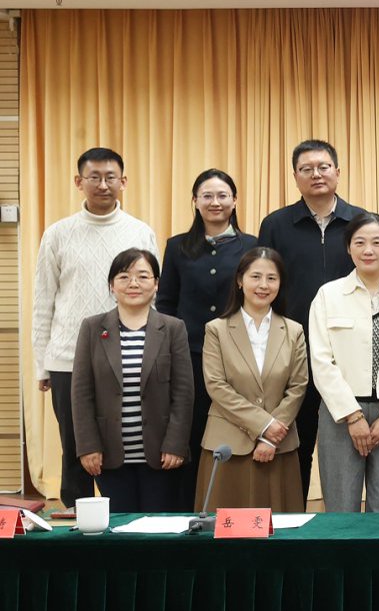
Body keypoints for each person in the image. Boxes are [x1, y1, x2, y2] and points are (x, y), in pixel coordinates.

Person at [33, 147, 158, 510]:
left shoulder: (140, 231)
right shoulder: (57, 234)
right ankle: (77, 519)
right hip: (67, 358)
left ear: (123, 181)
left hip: (128, 357)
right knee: (76, 446)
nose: (103, 185)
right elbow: (43, 301)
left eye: (110, 177)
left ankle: (123, 520)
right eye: (94, 177)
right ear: (79, 182)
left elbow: (152, 295)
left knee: (122, 445)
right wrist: (43, 364)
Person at [257, 139, 369, 501]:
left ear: (338, 171)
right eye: (307, 169)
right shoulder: (276, 225)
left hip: (350, 353)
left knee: (354, 444)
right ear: (295, 176)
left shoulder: (361, 221)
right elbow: (262, 283)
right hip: (292, 351)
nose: (316, 174)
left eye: (323, 167)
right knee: (295, 444)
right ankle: (294, 519)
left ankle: (357, 523)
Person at [306, 213, 379, 513]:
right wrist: (352, 416)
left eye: (377, 242)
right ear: (348, 248)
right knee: (340, 510)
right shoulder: (328, 295)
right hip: (340, 415)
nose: (368, 250)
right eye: (359, 243)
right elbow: (321, 361)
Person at [154, 168, 255, 504]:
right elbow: (166, 303)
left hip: (238, 354)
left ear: (234, 200)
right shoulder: (177, 246)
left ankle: (232, 504)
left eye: (222, 195)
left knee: (236, 428)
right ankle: (188, 507)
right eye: (207, 196)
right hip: (190, 354)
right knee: (192, 430)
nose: (215, 202)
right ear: (195, 201)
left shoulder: (252, 245)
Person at [70, 248, 192, 512]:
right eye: (124, 277)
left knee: (157, 528)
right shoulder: (92, 328)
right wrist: (88, 446)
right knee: (118, 527)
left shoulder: (173, 328)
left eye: (143, 276)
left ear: (156, 284)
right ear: (112, 285)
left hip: (162, 455)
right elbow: (81, 393)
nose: (133, 283)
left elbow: (183, 393)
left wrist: (175, 444)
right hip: (108, 454)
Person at [196, 247, 307, 513]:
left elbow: (298, 386)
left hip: (278, 447)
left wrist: (271, 437)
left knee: (278, 528)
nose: (263, 285)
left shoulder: (293, 331)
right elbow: (216, 386)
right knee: (226, 527)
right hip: (228, 447)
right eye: (255, 276)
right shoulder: (216, 329)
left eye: (271, 278)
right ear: (240, 280)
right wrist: (264, 425)